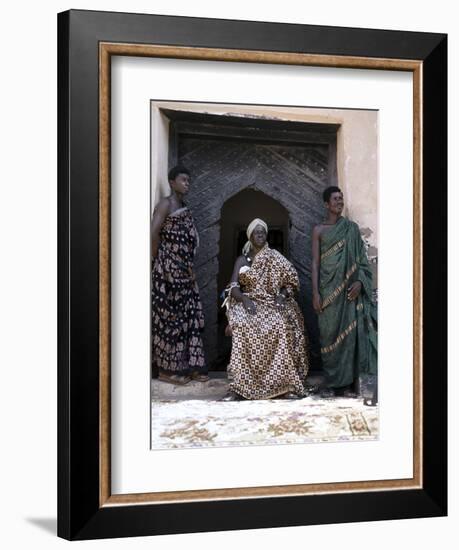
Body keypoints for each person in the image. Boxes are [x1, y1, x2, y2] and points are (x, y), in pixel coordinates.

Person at [221, 219, 309, 401]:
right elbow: (233, 287)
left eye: (263, 232)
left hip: (271, 301)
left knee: (279, 324)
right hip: (250, 301)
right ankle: (240, 387)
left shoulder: (274, 256)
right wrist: (244, 299)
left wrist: (281, 296)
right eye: (256, 232)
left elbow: (291, 281)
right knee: (241, 326)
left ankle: (284, 385)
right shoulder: (242, 260)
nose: (260, 235)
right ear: (250, 236)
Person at [311, 186, 377, 402]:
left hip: (349, 292)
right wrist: (315, 294)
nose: (340, 202)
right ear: (326, 204)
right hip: (327, 292)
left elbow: (362, 261)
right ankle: (331, 383)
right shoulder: (319, 230)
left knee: (347, 337)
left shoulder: (351, 229)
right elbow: (315, 264)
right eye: (335, 199)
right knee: (328, 335)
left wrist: (359, 281)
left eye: (341, 198)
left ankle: (346, 384)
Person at [151, 165, 208, 385]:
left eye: (188, 180)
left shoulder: (183, 206)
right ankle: (167, 370)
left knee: (188, 318)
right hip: (168, 271)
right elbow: (153, 232)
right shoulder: (166, 204)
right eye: (183, 180)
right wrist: (159, 262)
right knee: (170, 320)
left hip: (185, 272)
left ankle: (188, 366)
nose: (187, 183)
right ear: (172, 182)